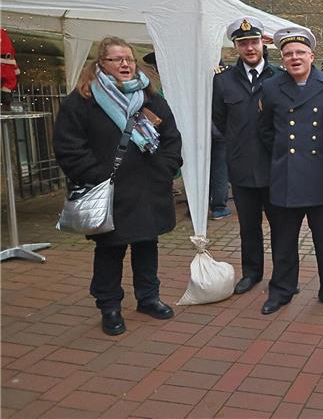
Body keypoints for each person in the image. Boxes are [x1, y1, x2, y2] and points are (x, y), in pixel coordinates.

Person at [53, 36, 183, 336]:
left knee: (147, 243)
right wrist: (96, 175)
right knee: (110, 250)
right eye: (117, 59)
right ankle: (109, 306)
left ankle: (148, 297)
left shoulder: (150, 98)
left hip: (149, 188)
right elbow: (68, 146)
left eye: (129, 59)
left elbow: (172, 139)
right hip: (110, 191)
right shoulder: (82, 100)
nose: (125, 64)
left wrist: (165, 169)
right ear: (101, 63)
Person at [258, 27, 323, 315]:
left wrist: (320, 151)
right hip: (286, 175)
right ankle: (281, 290)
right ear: (282, 59)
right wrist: (284, 154)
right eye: (288, 54)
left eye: (300, 53)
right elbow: (265, 131)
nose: (294, 58)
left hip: (320, 174)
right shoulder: (271, 87)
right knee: (283, 240)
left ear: (311, 56)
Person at [212, 17, 281, 295]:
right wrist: (236, 146)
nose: (249, 48)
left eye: (254, 42)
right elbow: (219, 120)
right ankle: (252, 273)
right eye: (243, 43)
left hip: (275, 166)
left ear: (263, 43)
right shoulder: (223, 81)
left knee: (281, 227)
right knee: (248, 227)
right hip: (241, 166)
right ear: (235, 47)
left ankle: (283, 277)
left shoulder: (279, 77)